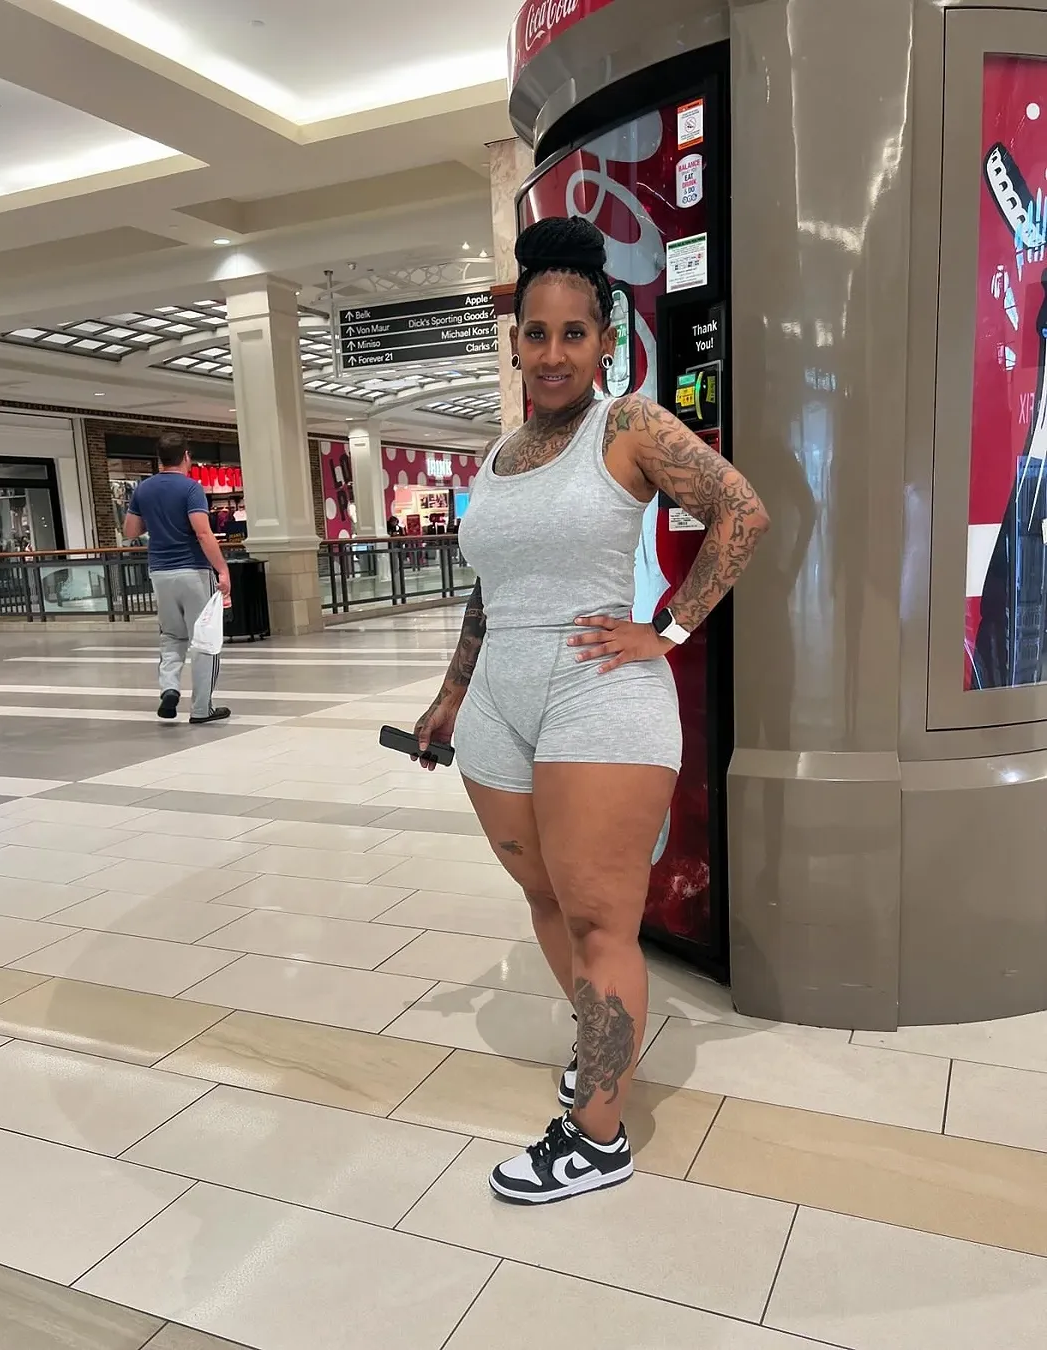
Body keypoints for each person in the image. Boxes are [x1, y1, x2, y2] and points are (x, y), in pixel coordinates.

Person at [414, 217, 769, 1206]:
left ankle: (597, 1140)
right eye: (537, 334)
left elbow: (742, 513)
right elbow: (489, 590)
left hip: (598, 693)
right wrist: (452, 693)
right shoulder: (499, 454)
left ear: (605, 340)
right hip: (501, 702)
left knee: (603, 920)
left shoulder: (630, 426)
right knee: (545, 901)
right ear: (516, 342)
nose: (554, 353)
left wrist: (669, 627)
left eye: (574, 333)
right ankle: (600, 1052)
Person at [122, 431, 232, 725]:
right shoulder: (191, 488)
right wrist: (222, 569)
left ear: (159, 458)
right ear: (186, 456)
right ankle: (202, 708)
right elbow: (203, 533)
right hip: (193, 571)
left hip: (160, 572)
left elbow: (130, 531)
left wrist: (157, 518)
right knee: (204, 639)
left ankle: (169, 688)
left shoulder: (143, 489)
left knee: (171, 635)